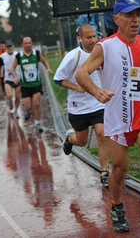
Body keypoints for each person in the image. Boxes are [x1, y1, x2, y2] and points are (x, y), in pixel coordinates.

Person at [76, 0, 140, 236]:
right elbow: (81, 73)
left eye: (138, 15)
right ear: (117, 19)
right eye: (129, 15)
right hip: (118, 117)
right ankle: (117, 208)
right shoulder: (105, 46)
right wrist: (96, 91)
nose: (135, 19)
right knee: (119, 169)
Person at [53, 24, 110, 187]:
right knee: (82, 141)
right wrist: (76, 87)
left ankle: (104, 172)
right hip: (78, 106)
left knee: (102, 134)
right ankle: (70, 139)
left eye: (94, 36)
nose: (93, 40)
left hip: (98, 103)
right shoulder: (73, 56)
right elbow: (58, 78)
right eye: (89, 37)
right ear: (80, 39)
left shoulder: (102, 53)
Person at [11, 37, 53, 133]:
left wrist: (48, 68)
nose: (27, 45)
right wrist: (15, 77)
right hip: (25, 86)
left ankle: (37, 123)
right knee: (27, 106)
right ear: (22, 44)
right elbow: (12, 68)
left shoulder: (36, 53)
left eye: (29, 43)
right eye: (25, 43)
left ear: (32, 44)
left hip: (36, 84)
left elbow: (44, 61)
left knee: (37, 103)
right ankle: (28, 112)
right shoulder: (19, 56)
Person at [0, 40, 21, 117]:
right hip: (7, 78)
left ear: (13, 46)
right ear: (6, 48)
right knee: (9, 95)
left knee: (18, 96)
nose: (9, 48)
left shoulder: (18, 55)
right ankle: (9, 100)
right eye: (8, 46)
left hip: (18, 78)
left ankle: (16, 110)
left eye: (11, 46)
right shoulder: (2, 56)